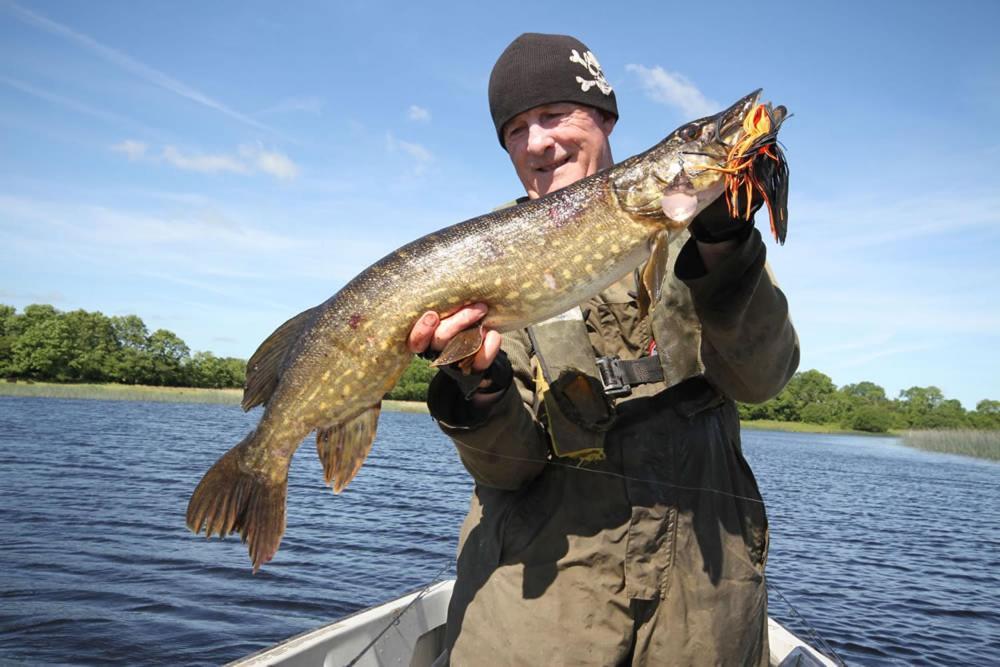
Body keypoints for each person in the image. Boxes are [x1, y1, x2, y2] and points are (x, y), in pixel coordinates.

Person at [408, 33, 799, 666]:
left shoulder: (699, 239)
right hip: (545, 600)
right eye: (515, 129)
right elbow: (508, 469)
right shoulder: (492, 272)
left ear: (604, 116)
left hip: (703, 599)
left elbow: (761, 377)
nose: (538, 142)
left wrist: (726, 244)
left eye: (554, 114)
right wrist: (479, 389)